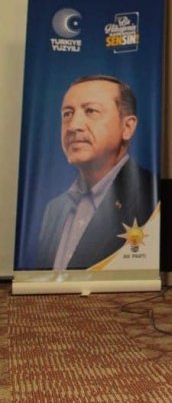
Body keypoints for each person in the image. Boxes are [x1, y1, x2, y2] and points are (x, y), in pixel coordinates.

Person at [35, 75, 157, 270]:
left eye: (91, 111)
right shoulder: (54, 209)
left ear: (127, 127)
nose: (73, 126)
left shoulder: (153, 200)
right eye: (67, 114)